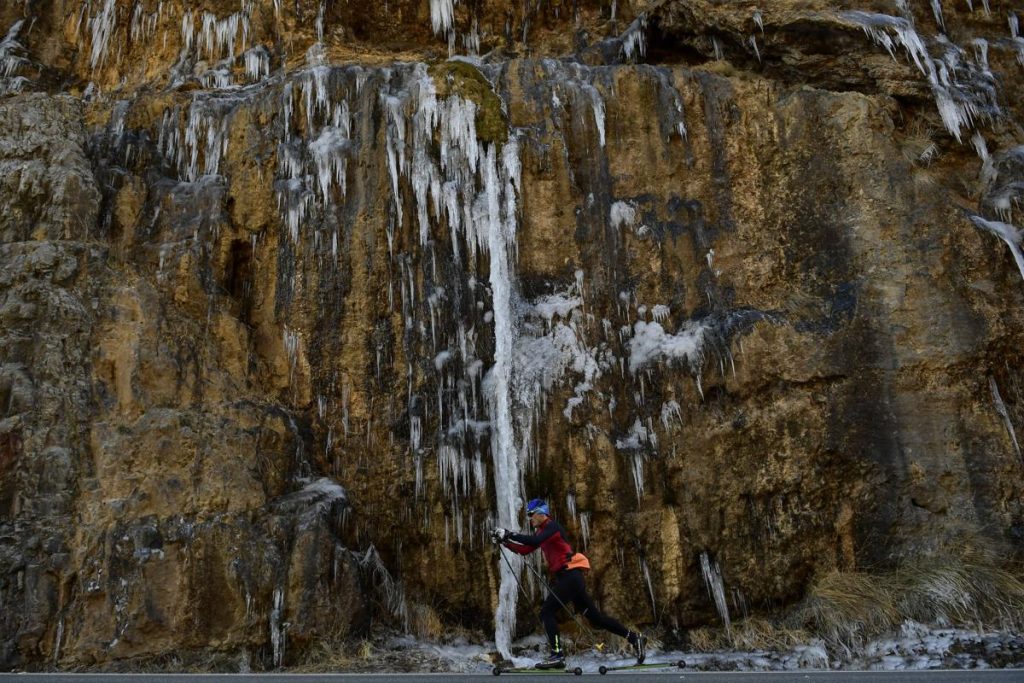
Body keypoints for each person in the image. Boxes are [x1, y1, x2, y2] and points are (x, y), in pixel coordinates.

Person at [492, 498, 647, 670]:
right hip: (571, 579)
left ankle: (557, 655)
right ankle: (634, 638)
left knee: (546, 612)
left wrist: (509, 533)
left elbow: (533, 542)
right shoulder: (542, 532)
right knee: (596, 619)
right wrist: (505, 542)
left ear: (541, 513)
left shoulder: (552, 526)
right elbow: (526, 549)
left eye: (531, 514)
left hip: (570, 577)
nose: (530, 518)